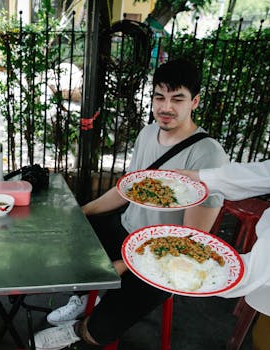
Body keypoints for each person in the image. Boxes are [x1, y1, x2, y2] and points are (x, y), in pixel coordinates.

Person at [34, 59, 229, 349]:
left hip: (163, 258)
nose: (166, 107)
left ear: (195, 102)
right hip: (126, 229)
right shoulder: (148, 133)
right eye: (159, 97)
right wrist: (81, 212)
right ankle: (86, 297)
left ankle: (78, 329)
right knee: (71, 233)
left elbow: (189, 241)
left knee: (103, 328)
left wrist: (124, 265)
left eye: (178, 99)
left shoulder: (208, 155)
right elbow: (126, 189)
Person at [177, 152, 270, 350]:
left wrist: (206, 274)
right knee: (265, 336)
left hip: (269, 257)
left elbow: (268, 260)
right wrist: (202, 177)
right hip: (268, 267)